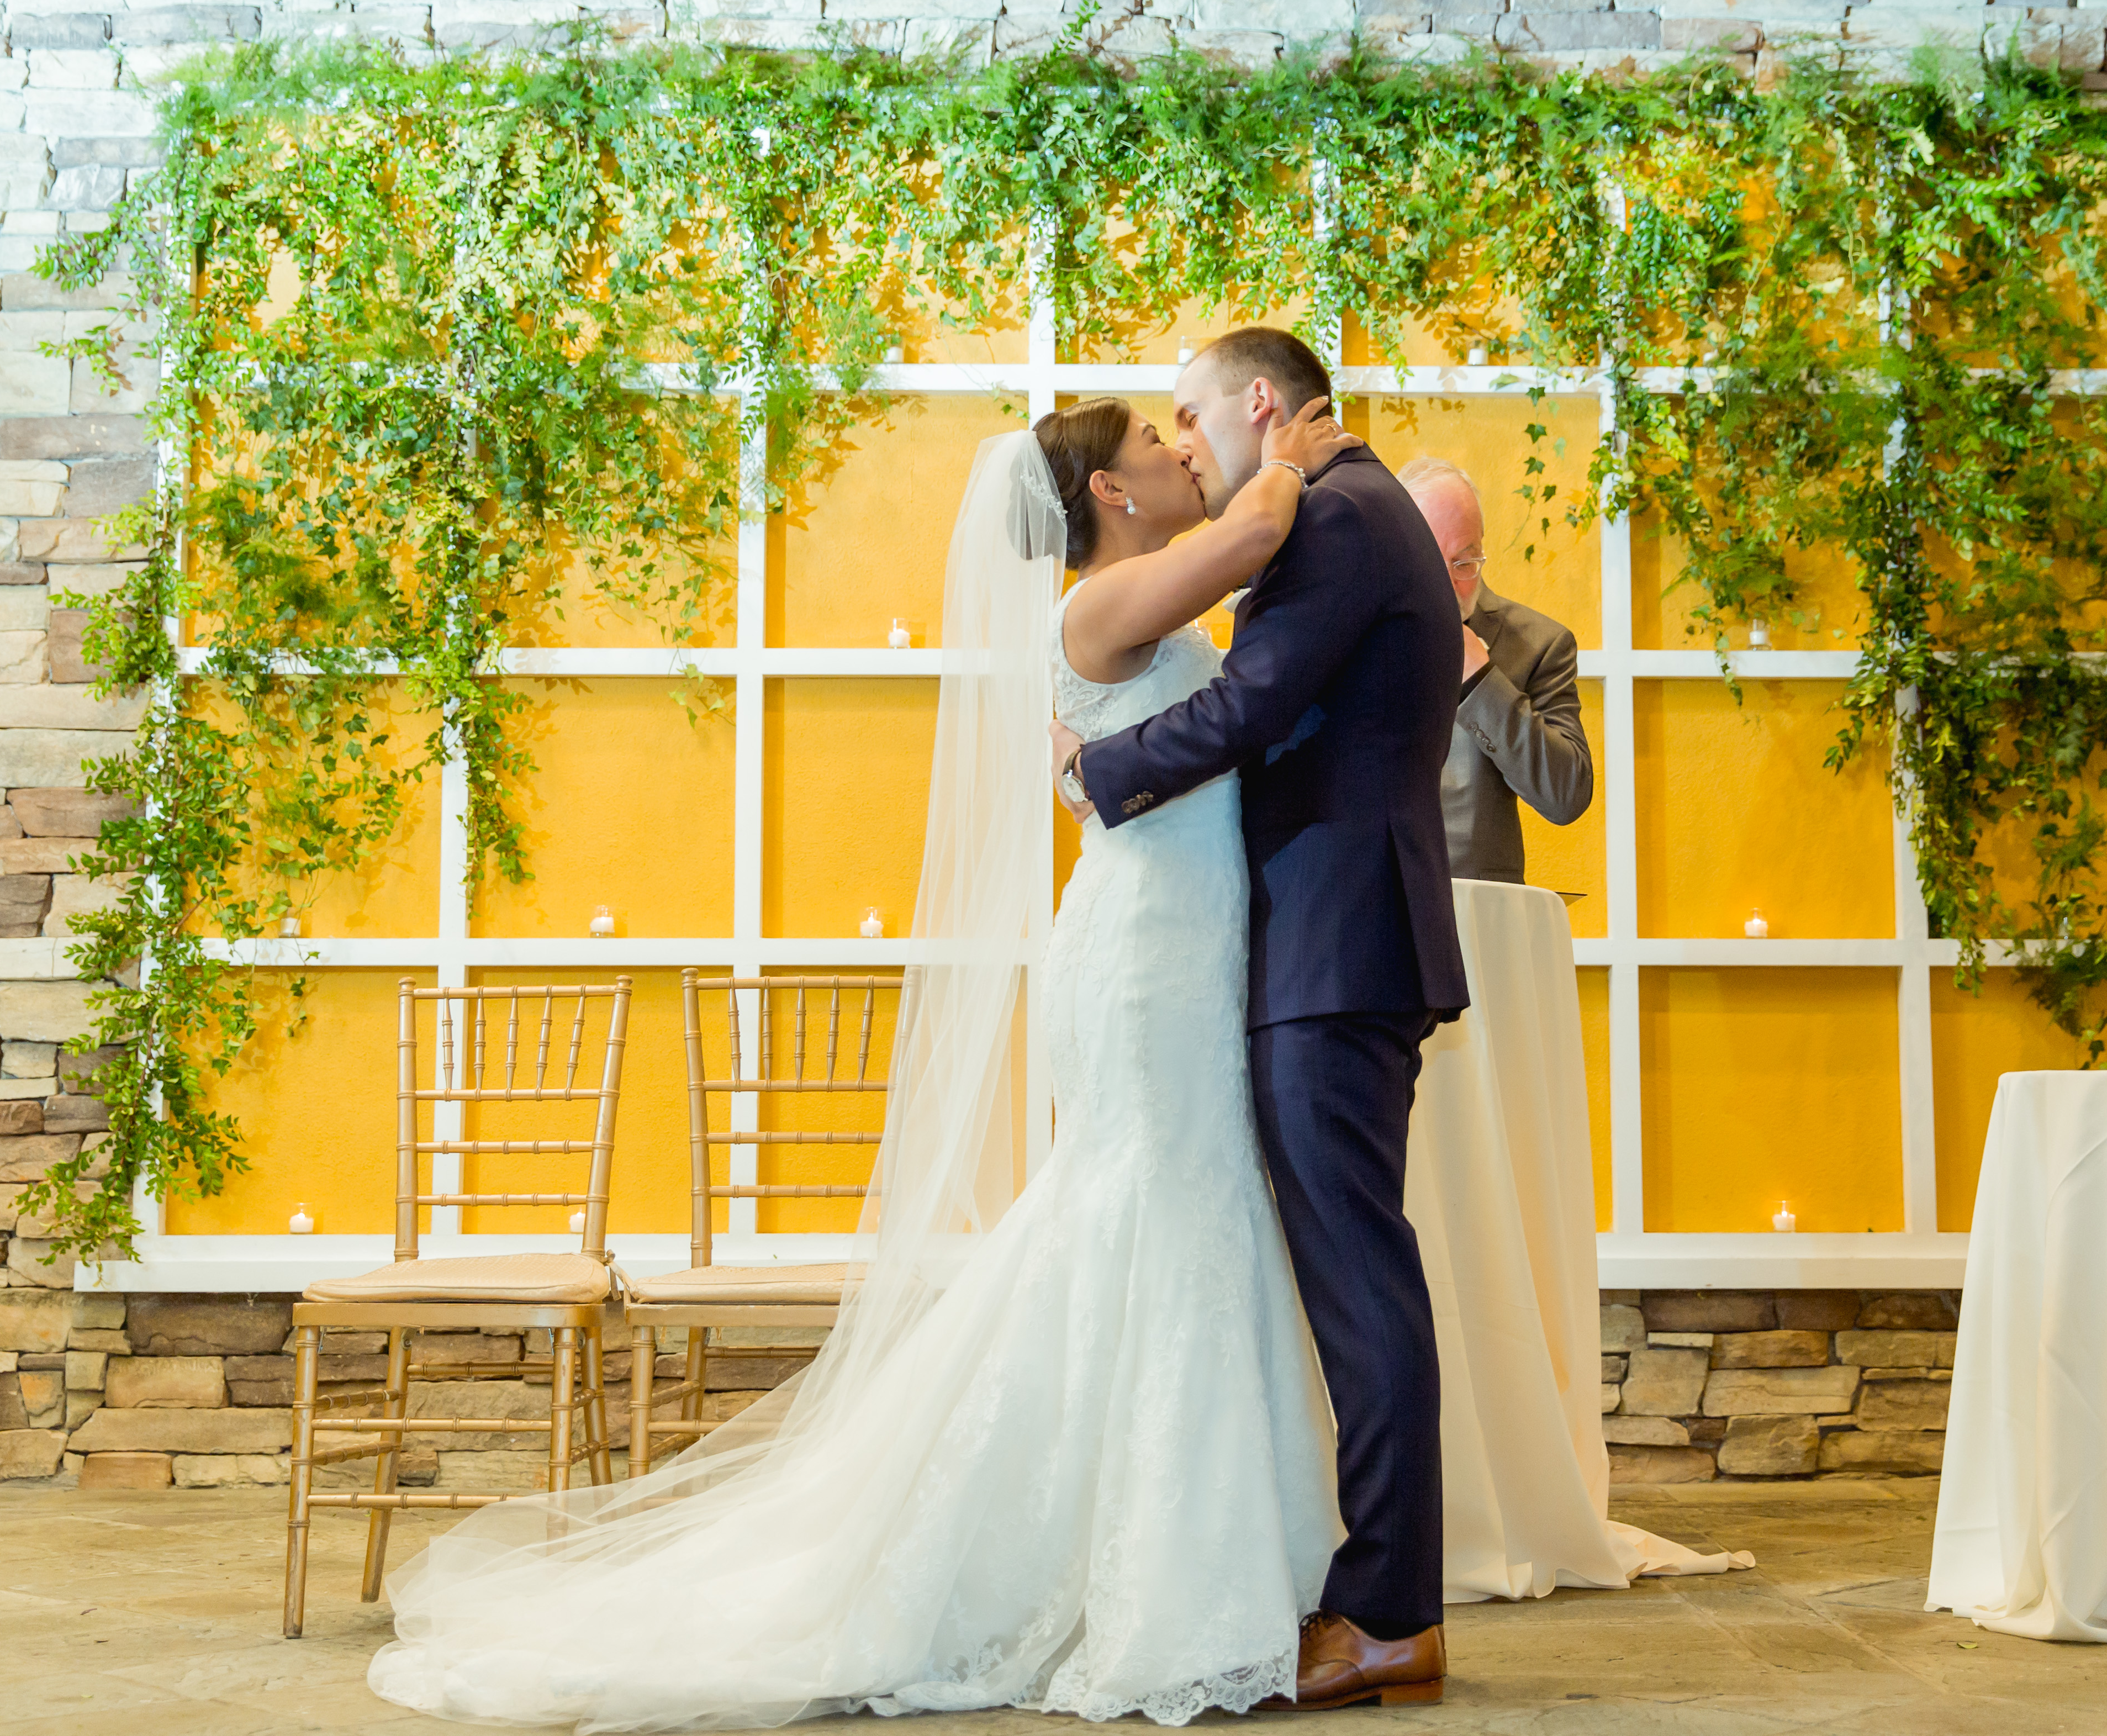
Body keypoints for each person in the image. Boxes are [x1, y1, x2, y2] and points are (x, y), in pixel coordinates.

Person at [361, 389, 1371, 1728]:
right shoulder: (1092, 610)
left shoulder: (1138, 609)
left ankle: (1190, 1555)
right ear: (1111, 498)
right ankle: (1142, 1581)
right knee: (1156, 1215)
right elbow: (1250, 537)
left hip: (1181, 947)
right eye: (1154, 448)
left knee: (1165, 1221)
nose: (1185, 454)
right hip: (1143, 965)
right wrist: (1295, 459)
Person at [1055, 327, 1469, 1712]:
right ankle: (1373, 1592)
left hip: (1336, 949)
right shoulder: (1345, 506)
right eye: (1155, 433)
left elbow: (1251, 702)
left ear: (1257, 403)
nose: (1182, 442)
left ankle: (1390, 1613)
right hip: (1327, 943)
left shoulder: (1335, 516)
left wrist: (1096, 774)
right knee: (1356, 1279)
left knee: (1359, 1284)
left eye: (1191, 414)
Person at [1398, 457, 1593, 884]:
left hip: (1478, 920)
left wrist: (1480, 678)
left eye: (1464, 564)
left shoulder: (1540, 644)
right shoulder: (1345, 629)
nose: (1447, 584)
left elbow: (1566, 796)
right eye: (1429, 559)